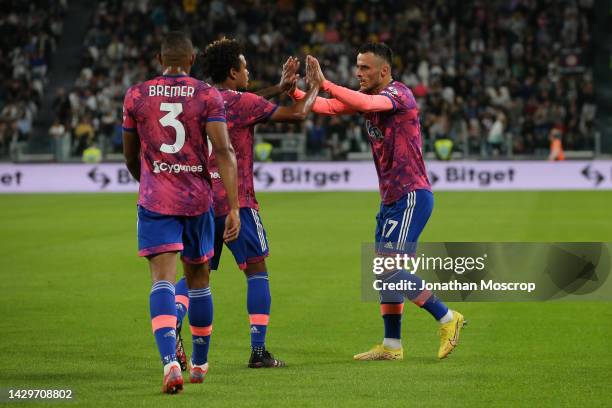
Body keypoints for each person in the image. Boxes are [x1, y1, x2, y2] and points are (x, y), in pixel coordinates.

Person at [293, 43, 465, 361]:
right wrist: (293, 92)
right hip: (390, 199)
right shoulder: (370, 100)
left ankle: (447, 317)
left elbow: (362, 100)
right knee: (383, 269)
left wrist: (326, 83)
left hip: (411, 195)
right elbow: (328, 108)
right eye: (357, 66)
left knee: (388, 269)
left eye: (365, 68)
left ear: (383, 71)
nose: (359, 72)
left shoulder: (399, 95)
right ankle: (392, 346)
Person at [174, 38, 320, 369]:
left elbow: (242, 102)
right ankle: (258, 352)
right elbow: (298, 114)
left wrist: (277, 88)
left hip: (199, 202)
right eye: (244, 66)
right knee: (257, 270)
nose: (248, 70)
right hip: (235, 201)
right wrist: (316, 87)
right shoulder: (240, 103)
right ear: (232, 71)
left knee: (196, 274)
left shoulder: (201, 98)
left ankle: (172, 324)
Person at [122, 31, 240, 394]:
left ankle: (170, 363)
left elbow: (129, 154)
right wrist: (233, 207)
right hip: (197, 199)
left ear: (160, 60)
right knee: (199, 279)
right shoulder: (207, 94)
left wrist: (150, 182)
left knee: (161, 280)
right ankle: (200, 364)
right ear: (191, 61)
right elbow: (223, 150)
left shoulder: (137, 94)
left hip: (157, 198)